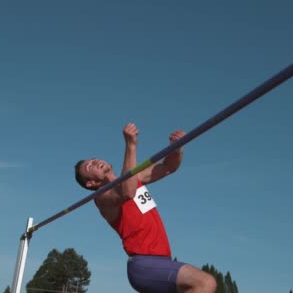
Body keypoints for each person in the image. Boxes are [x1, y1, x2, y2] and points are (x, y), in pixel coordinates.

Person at [74, 122, 217, 293]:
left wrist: (177, 149)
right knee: (205, 283)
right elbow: (127, 193)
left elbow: (167, 167)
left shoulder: (135, 179)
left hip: (163, 261)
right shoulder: (102, 198)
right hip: (144, 265)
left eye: (93, 159)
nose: (95, 161)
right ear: (91, 183)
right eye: (89, 166)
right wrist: (131, 145)